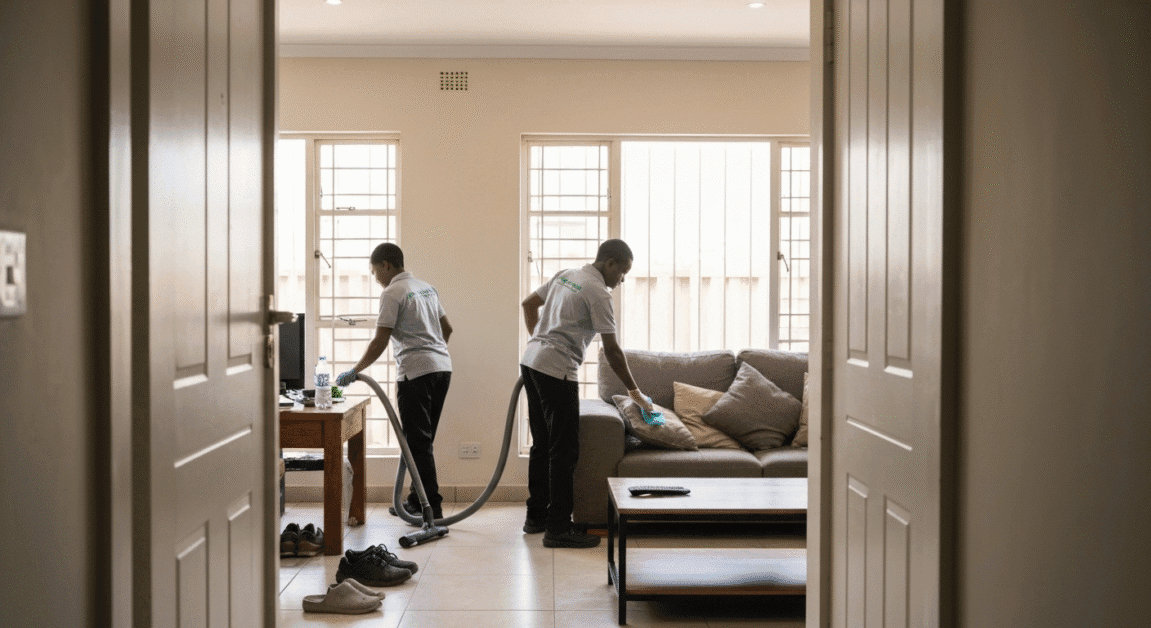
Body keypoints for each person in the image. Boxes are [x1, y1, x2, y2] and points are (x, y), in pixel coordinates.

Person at [520, 239, 655, 548]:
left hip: (531, 362)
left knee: (542, 444)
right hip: (556, 370)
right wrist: (635, 392)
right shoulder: (598, 293)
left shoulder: (566, 274)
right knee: (563, 451)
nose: (621, 280)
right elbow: (613, 351)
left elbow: (529, 304)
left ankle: (535, 517)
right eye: (622, 272)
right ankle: (558, 528)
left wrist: (542, 343)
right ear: (609, 263)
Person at [336, 243, 453, 519]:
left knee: (417, 442)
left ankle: (431, 507)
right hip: (442, 370)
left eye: (375, 272)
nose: (376, 279)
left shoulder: (393, 292)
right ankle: (416, 499)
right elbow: (447, 329)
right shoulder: (426, 287)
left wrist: (355, 369)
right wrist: (433, 354)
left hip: (416, 374)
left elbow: (380, 339)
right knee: (420, 441)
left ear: (386, 265)